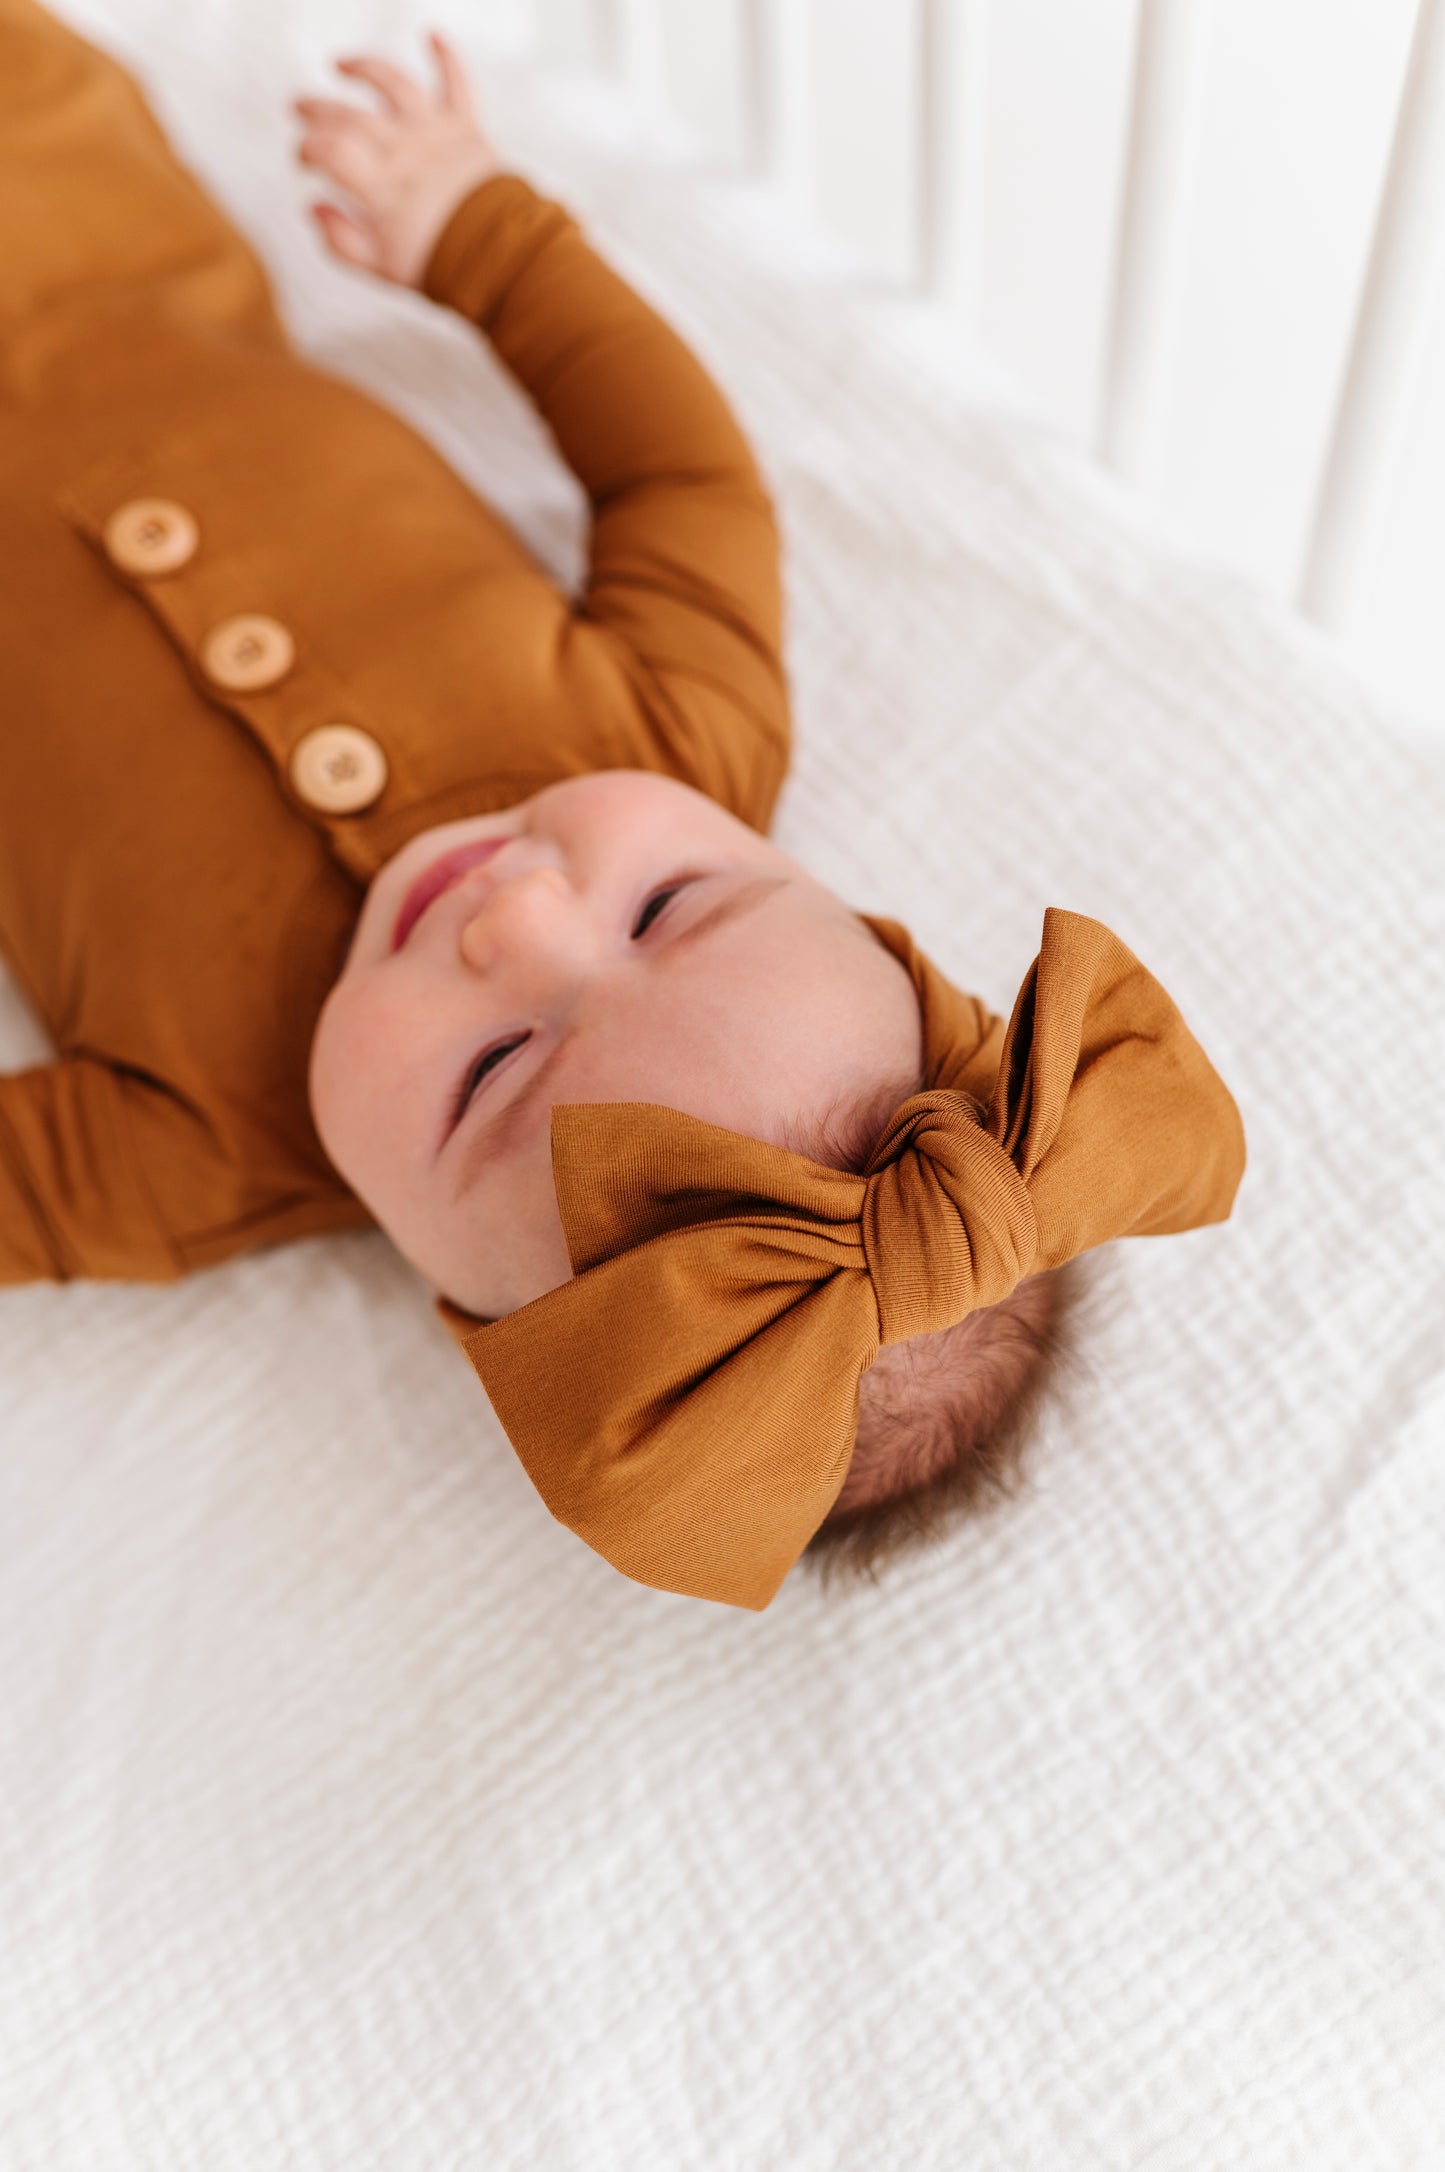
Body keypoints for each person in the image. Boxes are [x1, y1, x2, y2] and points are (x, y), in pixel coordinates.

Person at [0, 1, 1246, 1609]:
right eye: (667, 906)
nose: (513, 911)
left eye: (496, 1069)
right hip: (80, 216)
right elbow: (681, 479)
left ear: (460, 1301)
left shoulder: (198, 1147)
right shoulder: (679, 719)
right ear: (812, 893)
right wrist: (485, 236)